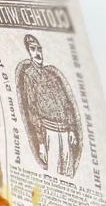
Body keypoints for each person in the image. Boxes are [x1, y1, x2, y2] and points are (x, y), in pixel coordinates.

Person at [15, 35, 82, 177]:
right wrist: (40, 143)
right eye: (33, 49)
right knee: (54, 172)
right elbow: (32, 109)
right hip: (49, 132)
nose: (38, 53)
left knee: (68, 171)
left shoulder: (51, 74)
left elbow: (65, 102)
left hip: (64, 131)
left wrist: (71, 129)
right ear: (29, 52)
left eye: (39, 49)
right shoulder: (29, 75)